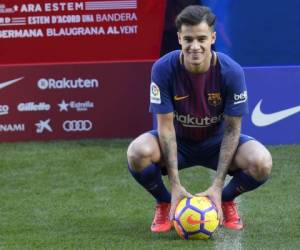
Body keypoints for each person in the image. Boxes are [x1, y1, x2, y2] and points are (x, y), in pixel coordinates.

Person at [127, 5, 272, 233]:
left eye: (202, 39)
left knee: (261, 162)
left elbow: (233, 130)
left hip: (216, 143)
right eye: (189, 39)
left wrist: (217, 185)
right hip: (179, 142)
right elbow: (165, 128)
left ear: (213, 38)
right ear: (179, 38)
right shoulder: (163, 68)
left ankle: (224, 200)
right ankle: (165, 202)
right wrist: (174, 185)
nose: (195, 46)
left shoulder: (231, 72)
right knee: (137, 153)